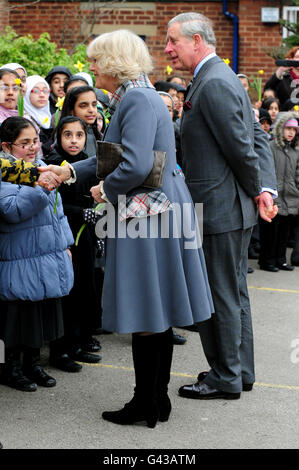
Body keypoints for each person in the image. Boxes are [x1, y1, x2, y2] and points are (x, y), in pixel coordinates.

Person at [42, 28, 214, 428]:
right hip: (161, 205)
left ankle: (145, 403)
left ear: (115, 63)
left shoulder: (134, 97)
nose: (93, 68)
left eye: (98, 60)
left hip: (147, 212)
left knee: (146, 311)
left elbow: (133, 166)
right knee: (159, 310)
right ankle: (156, 400)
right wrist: (68, 170)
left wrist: (105, 190)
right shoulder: (143, 94)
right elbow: (122, 157)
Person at [165, 12, 277, 400]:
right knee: (234, 293)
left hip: (219, 209)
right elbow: (254, 140)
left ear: (197, 41)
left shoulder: (212, 83)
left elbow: (244, 150)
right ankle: (239, 370)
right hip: (227, 207)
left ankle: (225, 376)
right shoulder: (219, 77)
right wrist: (262, 190)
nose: (167, 49)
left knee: (220, 295)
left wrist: (259, 189)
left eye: (173, 41)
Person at [0, 116, 74, 391]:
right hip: (19, 258)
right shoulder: (4, 171)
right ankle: (11, 368)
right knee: (18, 318)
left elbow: (59, 214)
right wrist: (41, 188)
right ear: (7, 147)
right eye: (24, 143)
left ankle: (34, 365)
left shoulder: (43, 167)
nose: (32, 148)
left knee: (41, 315)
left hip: (46, 254)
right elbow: (12, 210)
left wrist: (65, 245)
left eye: (35, 141)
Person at [45, 116, 102, 370]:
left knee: (83, 289)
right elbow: (54, 204)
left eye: (79, 135)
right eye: (67, 135)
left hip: (86, 233)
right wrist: (82, 213)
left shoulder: (86, 164)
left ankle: (78, 342)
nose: (74, 140)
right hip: (65, 236)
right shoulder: (54, 164)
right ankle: (61, 351)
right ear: (58, 137)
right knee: (67, 292)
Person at [258, 112, 299, 272]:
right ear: (281, 128)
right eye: (288, 128)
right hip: (274, 197)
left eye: (294, 130)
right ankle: (267, 260)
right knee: (270, 232)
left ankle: (280, 259)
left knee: (284, 232)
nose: (290, 132)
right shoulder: (271, 147)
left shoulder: (296, 151)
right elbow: (265, 170)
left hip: (290, 198)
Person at [60, 86, 101, 158]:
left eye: (94, 105)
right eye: (84, 106)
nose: (91, 110)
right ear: (71, 110)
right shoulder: (64, 137)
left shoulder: (96, 134)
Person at [24, 75, 53, 155]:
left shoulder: (52, 118)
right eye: (36, 91)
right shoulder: (24, 119)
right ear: (26, 93)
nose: (42, 95)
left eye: (45, 91)